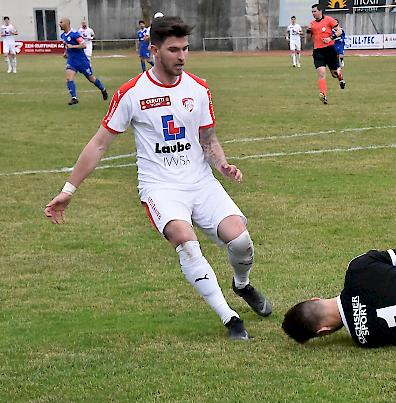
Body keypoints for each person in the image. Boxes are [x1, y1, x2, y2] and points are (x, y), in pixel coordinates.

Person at [44, 16, 272, 341]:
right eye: (174, 49)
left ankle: (242, 284)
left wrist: (222, 164)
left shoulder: (198, 88)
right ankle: (230, 318)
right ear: (154, 50)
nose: (182, 56)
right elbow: (98, 144)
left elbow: (208, 139)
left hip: (201, 182)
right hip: (161, 188)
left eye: (186, 49)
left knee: (240, 240)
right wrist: (69, 190)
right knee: (186, 242)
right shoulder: (132, 93)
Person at [59, 17, 108, 105]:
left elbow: (83, 45)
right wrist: (66, 53)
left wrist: (72, 47)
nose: (59, 24)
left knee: (91, 78)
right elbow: (67, 46)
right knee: (69, 78)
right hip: (71, 61)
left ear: (67, 23)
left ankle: (103, 89)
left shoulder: (75, 34)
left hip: (82, 61)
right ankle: (74, 98)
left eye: (61, 22)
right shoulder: (62, 36)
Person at [307, 3, 345, 105]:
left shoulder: (328, 20)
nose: (313, 13)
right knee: (321, 74)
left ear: (320, 11)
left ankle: (340, 77)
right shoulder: (312, 24)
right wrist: (308, 33)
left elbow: (339, 31)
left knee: (334, 74)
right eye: (312, 12)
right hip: (318, 52)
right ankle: (323, 95)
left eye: (315, 11)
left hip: (329, 50)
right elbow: (307, 41)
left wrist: (330, 38)